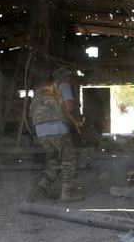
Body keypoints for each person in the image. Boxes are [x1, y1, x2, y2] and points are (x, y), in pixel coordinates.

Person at [29, 68, 84, 202]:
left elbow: (31, 112)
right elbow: (69, 106)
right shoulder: (63, 85)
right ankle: (67, 193)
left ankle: (44, 185)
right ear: (65, 77)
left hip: (40, 131)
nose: (71, 81)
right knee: (68, 159)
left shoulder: (40, 89)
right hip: (57, 127)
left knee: (54, 158)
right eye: (70, 78)